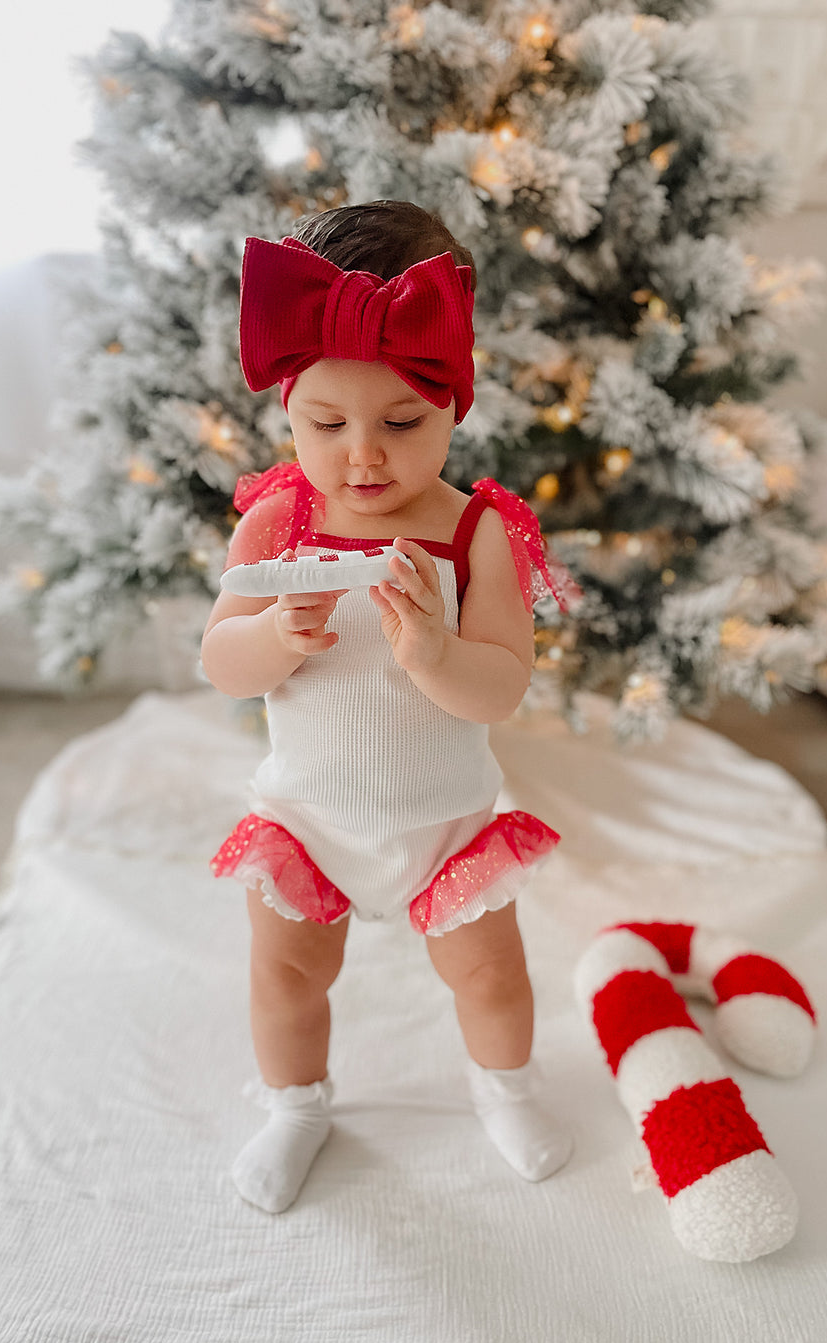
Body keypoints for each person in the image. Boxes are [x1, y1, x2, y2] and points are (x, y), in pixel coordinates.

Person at [202, 200, 577, 1213]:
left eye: (401, 424)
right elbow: (221, 662)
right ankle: (295, 1106)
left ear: (453, 404)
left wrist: (435, 652)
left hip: (444, 815)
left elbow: (502, 682)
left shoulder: (472, 535)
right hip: (309, 817)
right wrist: (276, 637)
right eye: (327, 424)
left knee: (491, 978)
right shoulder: (280, 518)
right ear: (289, 411)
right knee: (286, 977)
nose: (363, 456)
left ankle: (505, 1089)